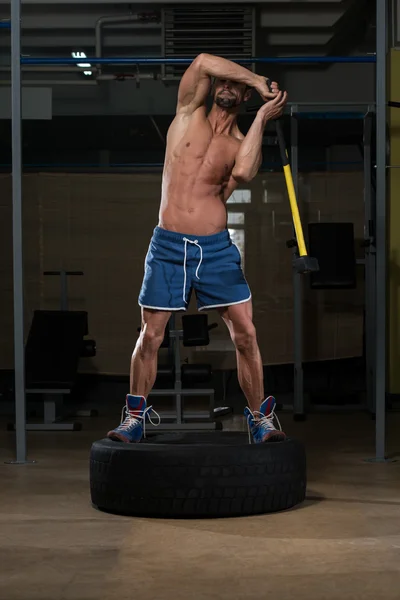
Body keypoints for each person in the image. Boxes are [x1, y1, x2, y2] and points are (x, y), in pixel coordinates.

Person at [107, 53, 288, 445]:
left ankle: (261, 418)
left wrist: (260, 118)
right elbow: (204, 60)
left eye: (235, 86)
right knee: (150, 336)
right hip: (169, 245)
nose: (226, 86)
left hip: (217, 250)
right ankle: (134, 417)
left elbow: (243, 172)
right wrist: (256, 79)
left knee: (245, 334)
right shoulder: (188, 112)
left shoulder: (241, 141)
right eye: (225, 81)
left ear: (242, 99)